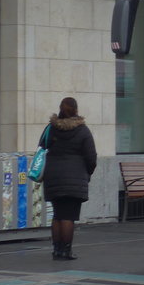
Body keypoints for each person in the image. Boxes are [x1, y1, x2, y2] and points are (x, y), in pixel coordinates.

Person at [42, 97, 97, 261]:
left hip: (53, 176)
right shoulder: (82, 130)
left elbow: (42, 147)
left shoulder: (51, 128)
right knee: (68, 216)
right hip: (74, 178)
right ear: (76, 110)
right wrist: (87, 173)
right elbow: (91, 157)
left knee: (57, 214)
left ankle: (56, 250)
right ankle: (66, 250)